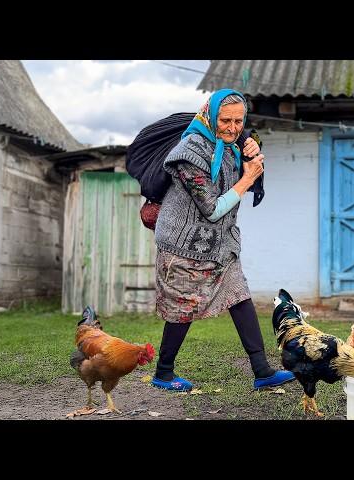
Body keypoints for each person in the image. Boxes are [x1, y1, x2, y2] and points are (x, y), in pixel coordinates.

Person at [150, 88, 296, 391]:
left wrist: (250, 147)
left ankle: (262, 370)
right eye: (225, 120)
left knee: (239, 295)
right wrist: (247, 179)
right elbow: (212, 209)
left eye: (238, 121)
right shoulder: (190, 154)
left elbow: (242, 161)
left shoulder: (230, 146)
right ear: (210, 115)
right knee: (182, 307)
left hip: (219, 244)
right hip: (183, 245)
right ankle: (163, 372)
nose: (232, 127)